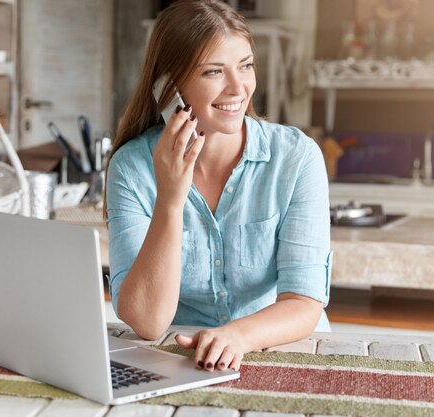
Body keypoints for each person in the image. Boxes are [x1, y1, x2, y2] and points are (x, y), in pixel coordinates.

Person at [104, 0, 332, 372]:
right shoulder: (131, 168)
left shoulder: (296, 157)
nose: (238, 87)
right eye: (213, 71)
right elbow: (147, 322)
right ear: (169, 85)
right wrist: (171, 198)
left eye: (245, 66)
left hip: (282, 353)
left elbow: (304, 303)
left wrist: (237, 336)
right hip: (180, 361)